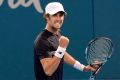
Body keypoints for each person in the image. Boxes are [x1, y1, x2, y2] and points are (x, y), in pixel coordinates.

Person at [34, 2, 96, 80]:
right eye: (54, 15)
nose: (59, 19)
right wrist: (61, 48)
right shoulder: (42, 41)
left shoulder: (57, 34)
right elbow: (48, 71)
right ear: (47, 17)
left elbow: (62, 54)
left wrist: (83, 68)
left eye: (61, 15)